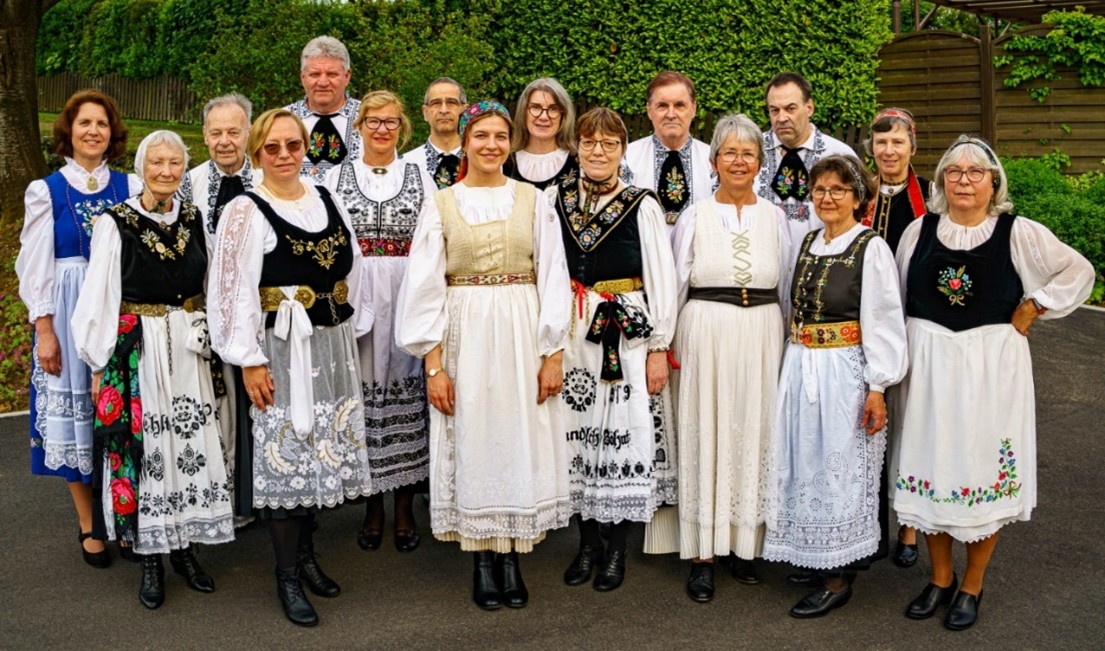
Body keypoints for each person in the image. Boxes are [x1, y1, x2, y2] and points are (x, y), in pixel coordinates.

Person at [892, 136, 1093, 631]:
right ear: (941, 181)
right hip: (930, 368)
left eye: (975, 173)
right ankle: (940, 578)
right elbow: (894, 297)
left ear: (993, 182)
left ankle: (972, 584)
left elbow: (1078, 270)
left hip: (990, 370)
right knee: (933, 468)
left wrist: (1036, 305)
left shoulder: (1018, 233)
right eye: (954, 172)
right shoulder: (919, 231)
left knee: (982, 469)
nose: (964, 181)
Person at [395, 100, 573, 611]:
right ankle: (480, 557)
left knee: (518, 434)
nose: (491, 145)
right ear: (465, 143)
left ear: (509, 143)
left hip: (521, 330)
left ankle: (512, 555)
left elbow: (553, 276)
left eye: (499, 136)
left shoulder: (534, 200)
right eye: (481, 136)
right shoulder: (441, 204)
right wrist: (433, 365)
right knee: (473, 434)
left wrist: (553, 353)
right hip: (464, 333)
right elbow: (425, 289)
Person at [209, 109, 373, 627]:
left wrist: (347, 326)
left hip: (329, 343)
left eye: (293, 145)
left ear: (306, 147)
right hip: (280, 350)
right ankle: (286, 575)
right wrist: (249, 360)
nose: (284, 155)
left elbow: (354, 265)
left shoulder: (327, 197)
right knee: (286, 458)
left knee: (318, 451)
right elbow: (230, 291)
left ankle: (306, 558)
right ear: (257, 153)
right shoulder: (245, 209)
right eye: (272, 147)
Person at [72, 130, 234, 609]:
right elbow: (99, 295)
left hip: (188, 348)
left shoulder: (194, 218)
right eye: (157, 163)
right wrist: (98, 363)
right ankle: (149, 557)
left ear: (184, 169)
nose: (166, 171)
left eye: (175, 163)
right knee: (147, 451)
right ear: (141, 168)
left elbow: (211, 284)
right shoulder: (115, 222)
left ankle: (184, 550)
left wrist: (213, 335)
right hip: (138, 350)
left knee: (187, 448)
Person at [762, 155, 908, 619]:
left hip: (843, 371)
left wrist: (877, 387)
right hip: (801, 363)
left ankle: (839, 576)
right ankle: (813, 554)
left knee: (837, 466)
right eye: (820, 190)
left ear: (857, 197)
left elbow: (884, 319)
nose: (827, 198)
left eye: (838, 190)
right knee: (804, 460)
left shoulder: (870, 247)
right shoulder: (808, 241)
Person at [669, 113, 793, 602]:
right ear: (714, 161)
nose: (739, 161)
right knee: (706, 430)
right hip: (706, 332)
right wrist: (664, 345)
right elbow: (676, 284)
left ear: (760, 163)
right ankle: (702, 552)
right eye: (729, 153)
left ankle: (745, 544)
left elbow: (785, 285)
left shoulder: (775, 218)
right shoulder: (694, 216)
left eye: (748, 153)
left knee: (754, 431)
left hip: (762, 332)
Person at [553, 107, 676, 593]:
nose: (598, 151)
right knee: (577, 434)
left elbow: (661, 277)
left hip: (625, 331)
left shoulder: (641, 204)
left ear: (623, 150)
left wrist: (658, 347)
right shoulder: (556, 198)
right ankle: (587, 544)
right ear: (577, 147)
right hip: (573, 327)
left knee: (623, 432)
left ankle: (618, 548)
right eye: (589, 142)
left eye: (608, 143)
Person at [17, 89, 140, 568]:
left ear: (113, 133)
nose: (93, 131)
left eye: (102, 124)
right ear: (68, 131)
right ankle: (89, 522)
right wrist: (45, 330)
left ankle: (123, 514)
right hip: (67, 316)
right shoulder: (46, 190)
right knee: (78, 420)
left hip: (119, 311)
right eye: (84, 122)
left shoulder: (129, 186)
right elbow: (35, 267)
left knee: (122, 416)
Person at [325, 90, 436, 553]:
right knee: (363, 394)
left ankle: (405, 507)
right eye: (373, 121)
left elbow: (432, 239)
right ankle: (372, 507)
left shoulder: (420, 175)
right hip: (357, 294)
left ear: (402, 127)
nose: (382, 129)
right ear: (360, 126)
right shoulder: (335, 177)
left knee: (407, 389)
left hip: (407, 291)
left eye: (390, 122)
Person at [177, 93, 263, 523]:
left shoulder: (267, 178)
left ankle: (270, 496)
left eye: (233, 131)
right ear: (204, 135)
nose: (225, 141)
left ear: (249, 132)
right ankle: (228, 499)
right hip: (208, 314)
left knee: (262, 403)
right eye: (216, 133)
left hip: (263, 314)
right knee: (221, 408)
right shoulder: (187, 184)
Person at [863, 107, 930, 569]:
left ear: (912, 147)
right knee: (869, 424)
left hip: (913, 321)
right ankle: (869, 524)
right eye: (881, 142)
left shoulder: (931, 195)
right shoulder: (861, 192)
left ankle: (908, 524)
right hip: (865, 324)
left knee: (908, 424)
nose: (889, 151)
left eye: (897, 142)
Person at [755, 72, 854, 246]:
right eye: (774, 110)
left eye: (790, 109)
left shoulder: (838, 155)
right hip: (763, 259)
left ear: (809, 108)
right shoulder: (751, 152)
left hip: (822, 258)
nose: (781, 118)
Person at [624, 71, 714, 225]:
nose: (671, 114)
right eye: (662, 106)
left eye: (679, 105)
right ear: (649, 110)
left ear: (693, 109)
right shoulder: (627, 158)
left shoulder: (713, 160)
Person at [286, 35, 362, 183]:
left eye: (332, 74)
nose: (322, 82)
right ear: (303, 78)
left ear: (347, 76)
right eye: (314, 74)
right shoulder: (282, 119)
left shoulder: (370, 118)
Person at [504, 77, 578, 191]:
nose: (543, 117)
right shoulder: (505, 162)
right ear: (524, 112)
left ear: (563, 115)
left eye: (553, 109)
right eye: (535, 107)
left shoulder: (578, 162)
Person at [402, 78, 466, 189]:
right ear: (425, 112)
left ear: (464, 111)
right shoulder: (404, 165)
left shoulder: (482, 163)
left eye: (451, 102)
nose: (444, 110)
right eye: (436, 103)